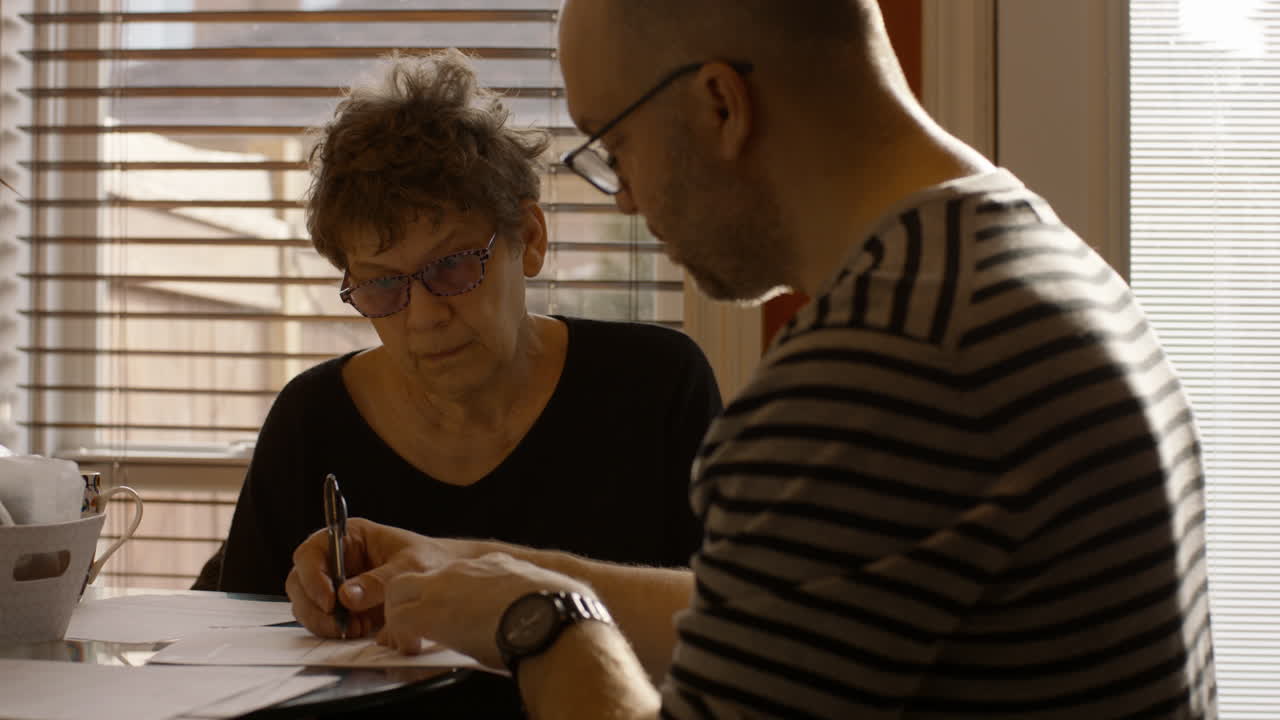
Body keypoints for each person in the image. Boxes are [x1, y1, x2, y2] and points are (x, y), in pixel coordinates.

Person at [285, 2, 1218, 718]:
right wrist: (484, 569)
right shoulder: (1012, 263)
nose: (623, 198)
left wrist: (541, 624)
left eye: (616, 146)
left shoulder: (875, 370)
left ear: (720, 104)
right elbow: (782, 609)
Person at [209, 48, 721, 716]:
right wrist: (301, 607)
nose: (423, 315)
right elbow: (226, 653)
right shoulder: (313, 418)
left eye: (452, 267)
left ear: (529, 239)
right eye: (382, 284)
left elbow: (732, 630)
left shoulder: (655, 386)